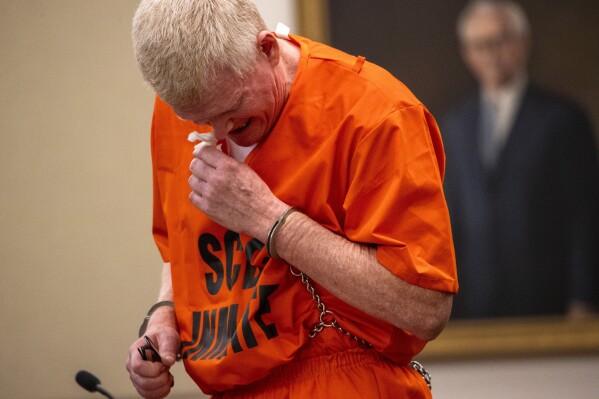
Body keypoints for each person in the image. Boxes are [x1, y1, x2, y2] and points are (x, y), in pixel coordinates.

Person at [126, 0, 458, 398]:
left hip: (343, 378)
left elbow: (424, 310)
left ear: (267, 49)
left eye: (234, 109)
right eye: (198, 118)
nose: (220, 131)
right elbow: (179, 252)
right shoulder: (177, 107)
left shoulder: (376, 115)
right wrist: (164, 315)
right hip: (227, 384)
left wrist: (270, 221)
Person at [441, 0, 599, 319]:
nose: (491, 53)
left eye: (500, 41)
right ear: (467, 53)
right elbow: (448, 221)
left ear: (523, 43)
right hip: (474, 307)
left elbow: (586, 217)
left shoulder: (562, 118)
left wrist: (583, 299)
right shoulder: (454, 126)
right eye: (479, 45)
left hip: (548, 302)